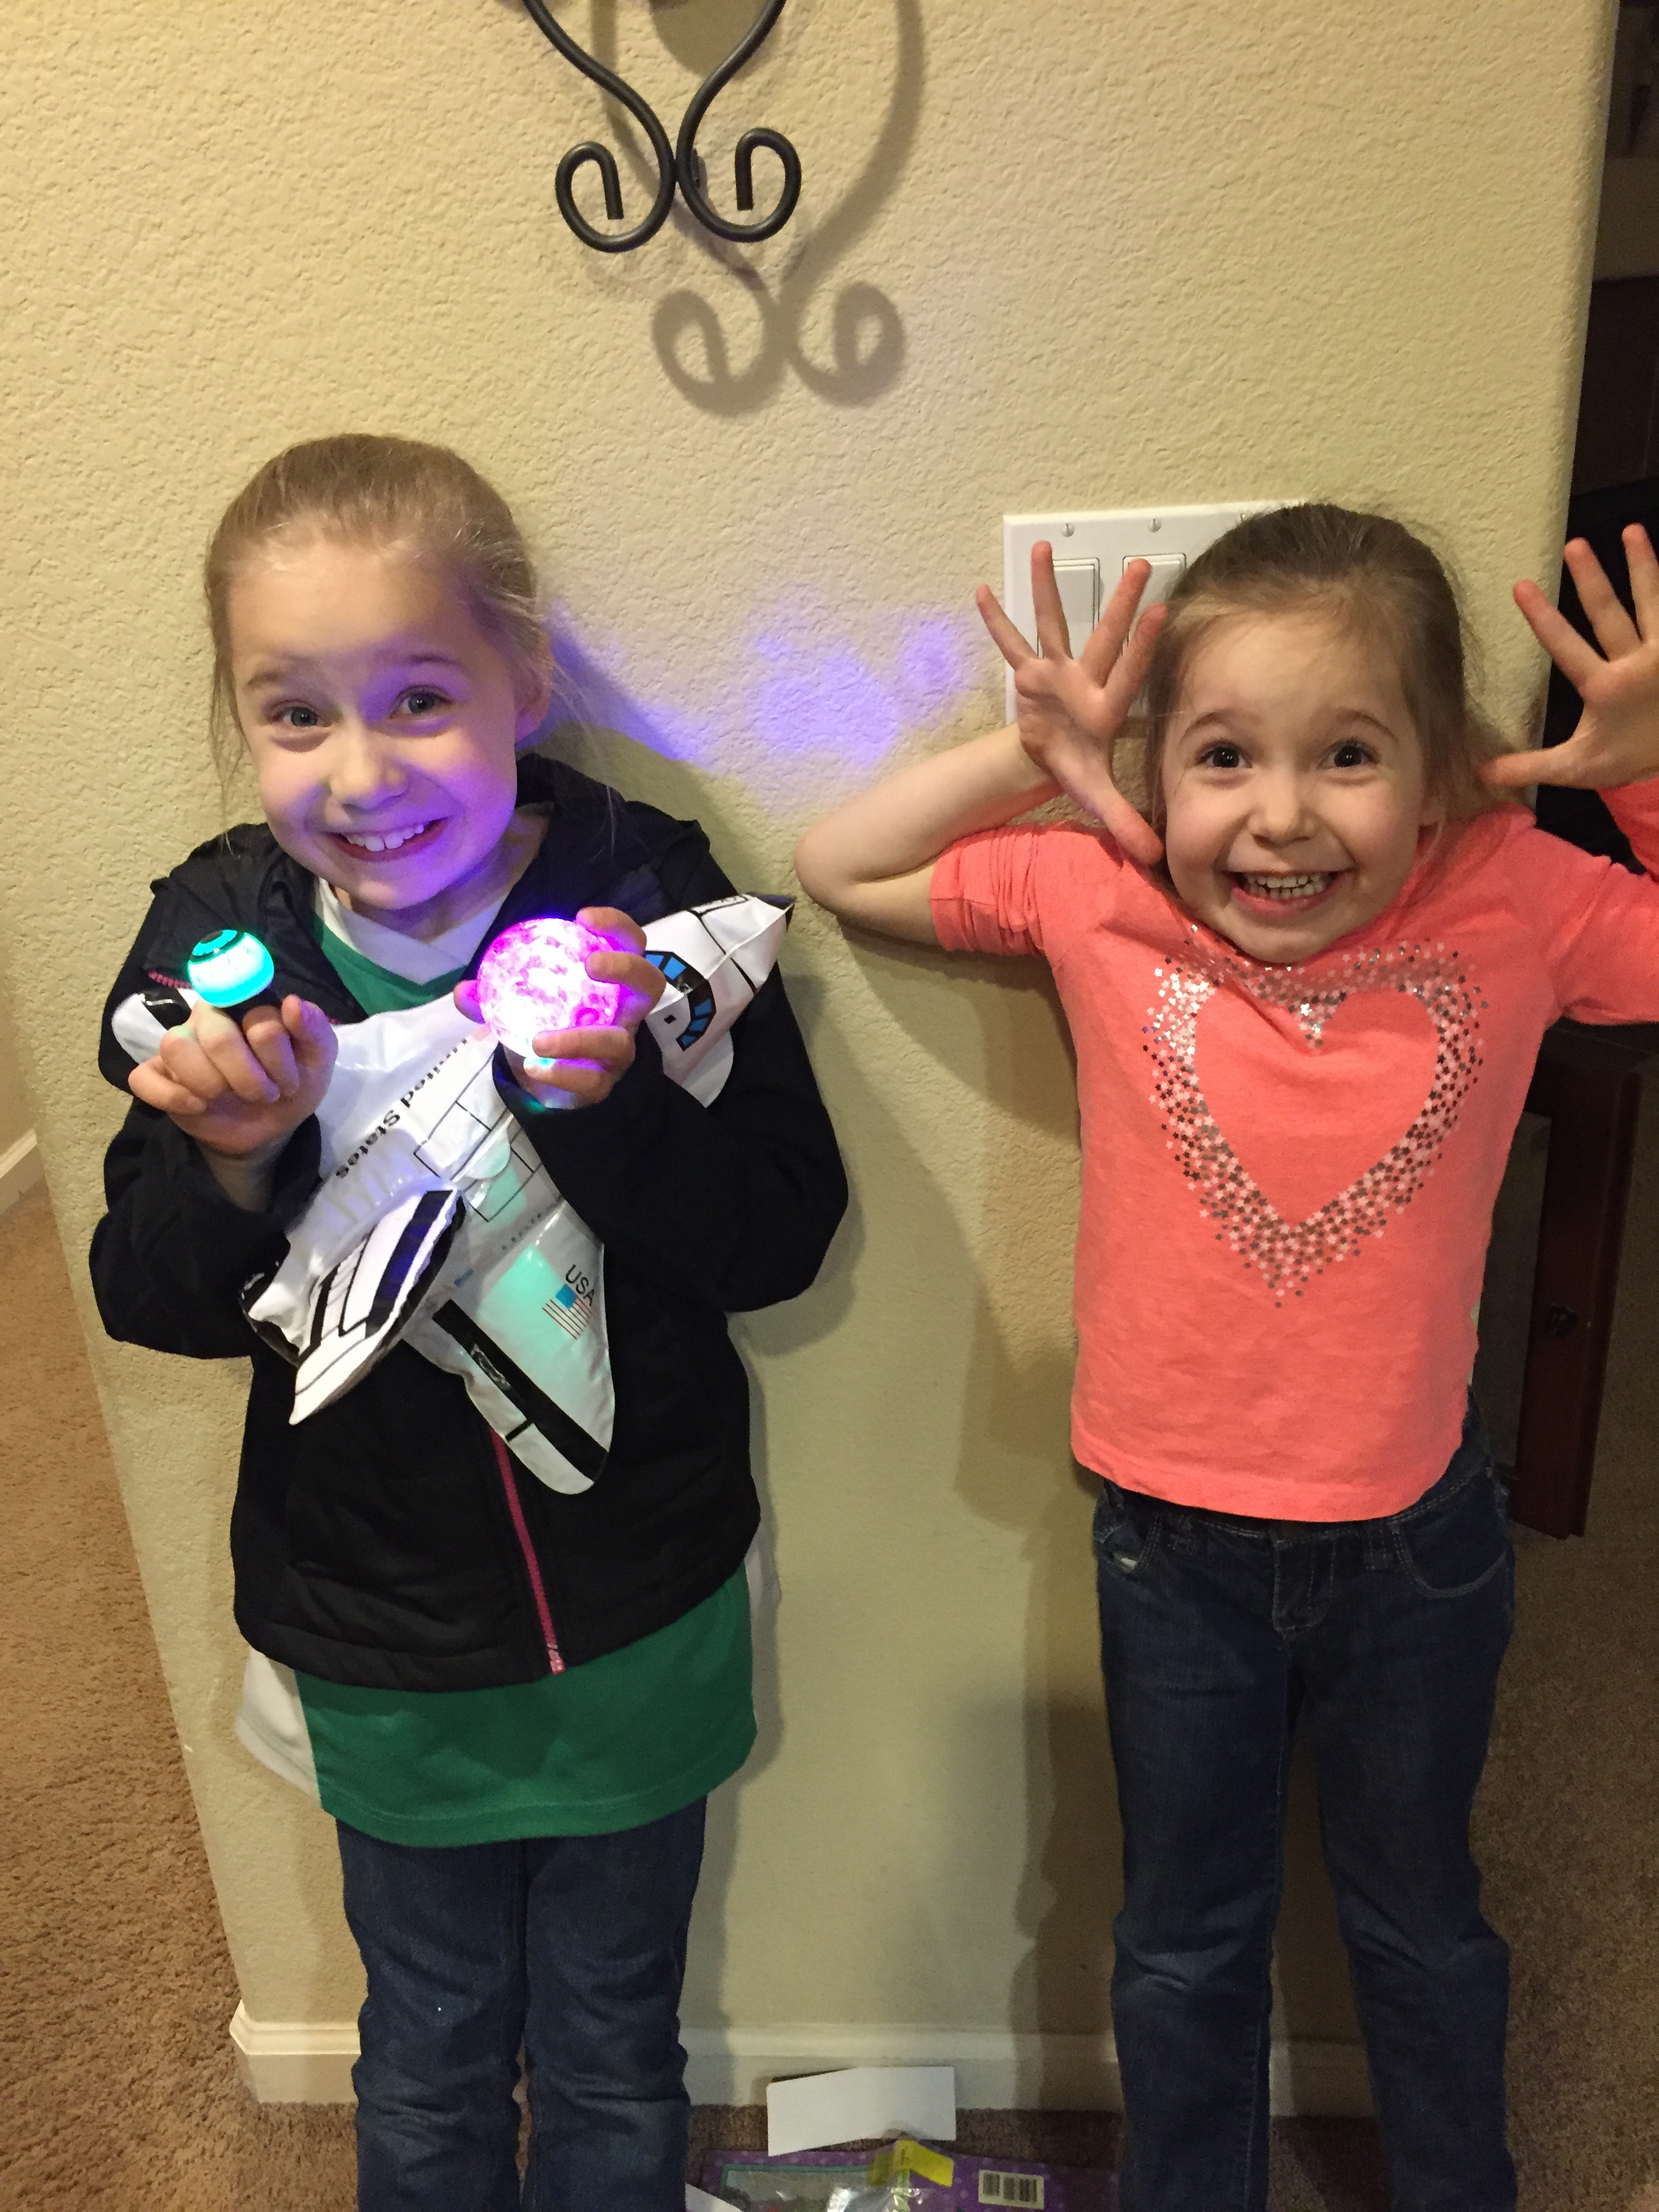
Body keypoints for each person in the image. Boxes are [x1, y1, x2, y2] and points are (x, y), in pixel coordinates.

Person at [794, 503, 1659, 2212]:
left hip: (1418, 1545)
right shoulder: (1098, 888)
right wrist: (1043, 757)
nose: (1280, 814)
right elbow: (840, 865)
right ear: (1157, 773)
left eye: (1348, 754)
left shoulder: (1517, 896)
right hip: (1171, 1547)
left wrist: (1642, 789)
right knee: (1186, 1938)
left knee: (1421, 1922)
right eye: (1223, 756)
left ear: (1441, 778)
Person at [91, 433, 846, 2212]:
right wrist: (237, 1158)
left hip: (641, 1613)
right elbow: (145, 1295)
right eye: (296, 714)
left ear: (527, 680)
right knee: (428, 2050)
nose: (361, 775)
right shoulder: (221, 949)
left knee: (615, 2044)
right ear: (242, 721)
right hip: (382, 1646)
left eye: (419, 698)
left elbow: (777, 1239)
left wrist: (608, 1108)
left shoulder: (646, 902)